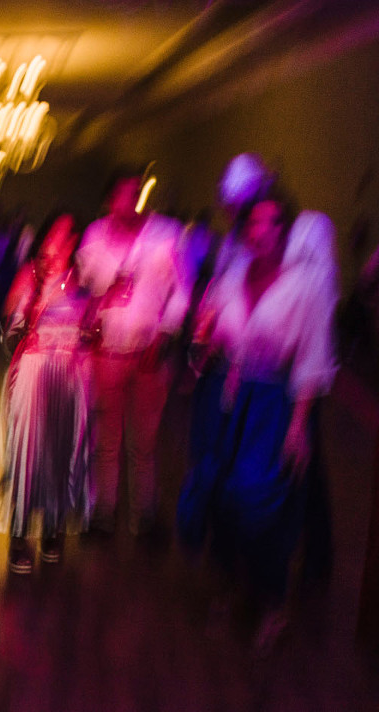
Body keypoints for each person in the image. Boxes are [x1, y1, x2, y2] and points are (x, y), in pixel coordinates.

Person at [179, 196, 338, 650]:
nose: (260, 232)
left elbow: (313, 358)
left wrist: (298, 426)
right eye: (253, 223)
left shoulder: (305, 286)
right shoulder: (229, 279)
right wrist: (203, 345)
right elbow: (206, 341)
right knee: (221, 496)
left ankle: (273, 603)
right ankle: (230, 585)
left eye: (271, 224)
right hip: (225, 399)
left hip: (273, 405)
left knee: (262, 503)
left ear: (284, 231)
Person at [76, 171, 190, 536]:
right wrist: (107, 283)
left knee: (146, 438)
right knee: (106, 436)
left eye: (136, 193)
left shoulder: (166, 234)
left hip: (149, 350)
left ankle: (147, 512)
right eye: (123, 194)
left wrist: (165, 333)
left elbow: (182, 291)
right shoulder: (95, 235)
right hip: (107, 349)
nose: (131, 200)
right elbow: (86, 287)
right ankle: (104, 511)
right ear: (110, 200)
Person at [0, 212, 93, 572]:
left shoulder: (81, 278)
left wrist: (87, 332)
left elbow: (89, 328)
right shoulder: (29, 275)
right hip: (34, 371)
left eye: (69, 236)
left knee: (60, 452)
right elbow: (8, 332)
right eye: (56, 233)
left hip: (69, 374)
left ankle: (53, 529)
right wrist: (33, 306)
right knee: (27, 453)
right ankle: (19, 536)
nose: (61, 241)